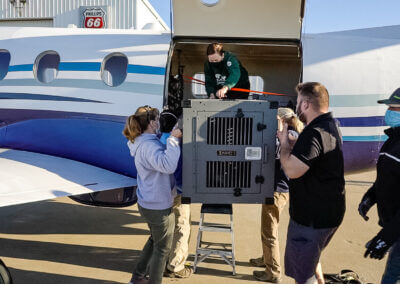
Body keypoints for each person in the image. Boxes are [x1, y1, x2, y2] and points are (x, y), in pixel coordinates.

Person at [277, 82, 346, 284]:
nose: (297, 107)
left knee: (303, 274)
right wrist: (297, 145)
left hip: (311, 219)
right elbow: (316, 157)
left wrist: (283, 144)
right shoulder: (331, 125)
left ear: (306, 104)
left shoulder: (314, 132)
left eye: (299, 103)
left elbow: (292, 170)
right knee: (312, 259)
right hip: (330, 214)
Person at [123, 105, 182, 284]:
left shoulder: (142, 141)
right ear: (150, 122)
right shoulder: (148, 146)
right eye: (156, 119)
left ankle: (138, 277)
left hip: (148, 202)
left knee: (154, 240)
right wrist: (172, 139)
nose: (159, 122)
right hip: (158, 206)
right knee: (162, 249)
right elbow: (167, 165)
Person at [251, 108, 304, 283]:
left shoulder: (290, 135)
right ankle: (267, 258)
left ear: (281, 119)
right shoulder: (290, 134)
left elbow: (278, 151)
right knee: (268, 228)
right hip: (278, 188)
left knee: (269, 231)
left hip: (277, 189)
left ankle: (273, 271)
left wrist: (279, 129)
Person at [358, 89, 400, 284]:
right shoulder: (392, 140)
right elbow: (387, 178)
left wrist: (385, 238)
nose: (389, 111)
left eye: (394, 107)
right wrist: (370, 197)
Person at [158, 110, 193, 279]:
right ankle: (175, 266)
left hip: (160, 192)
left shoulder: (156, 141)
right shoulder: (176, 143)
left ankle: (161, 261)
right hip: (177, 191)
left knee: (164, 229)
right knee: (182, 227)